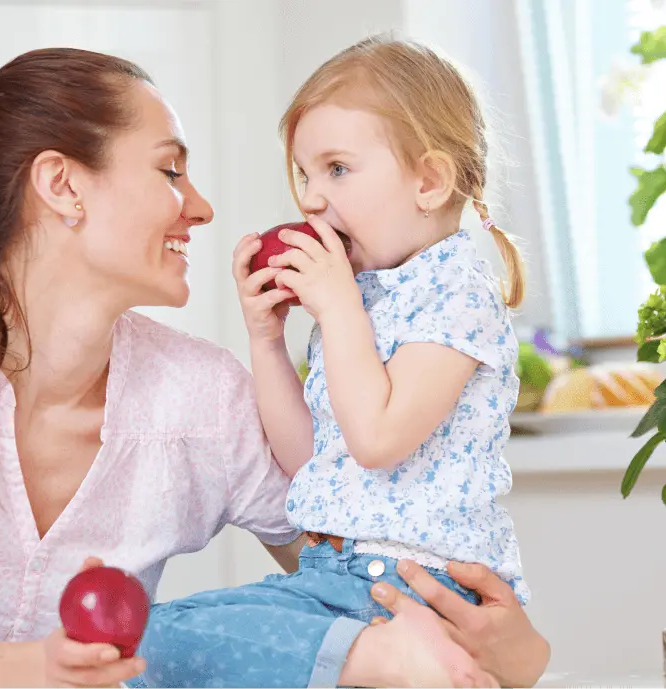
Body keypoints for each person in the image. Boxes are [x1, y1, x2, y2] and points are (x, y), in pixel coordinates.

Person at [0, 47, 549, 689]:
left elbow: (349, 565)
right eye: (171, 170)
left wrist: (517, 656)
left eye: (336, 170)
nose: (200, 206)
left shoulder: (203, 394)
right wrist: (48, 667)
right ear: (63, 185)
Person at [128, 34, 532, 689]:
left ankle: (408, 656)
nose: (312, 199)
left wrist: (338, 308)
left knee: (152, 643)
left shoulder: (459, 290)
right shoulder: (363, 295)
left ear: (428, 180)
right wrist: (265, 339)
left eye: (337, 169)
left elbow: (377, 439)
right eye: (306, 175)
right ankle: (393, 663)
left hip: (411, 589)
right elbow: (309, 464)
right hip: (333, 578)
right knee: (141, 650)